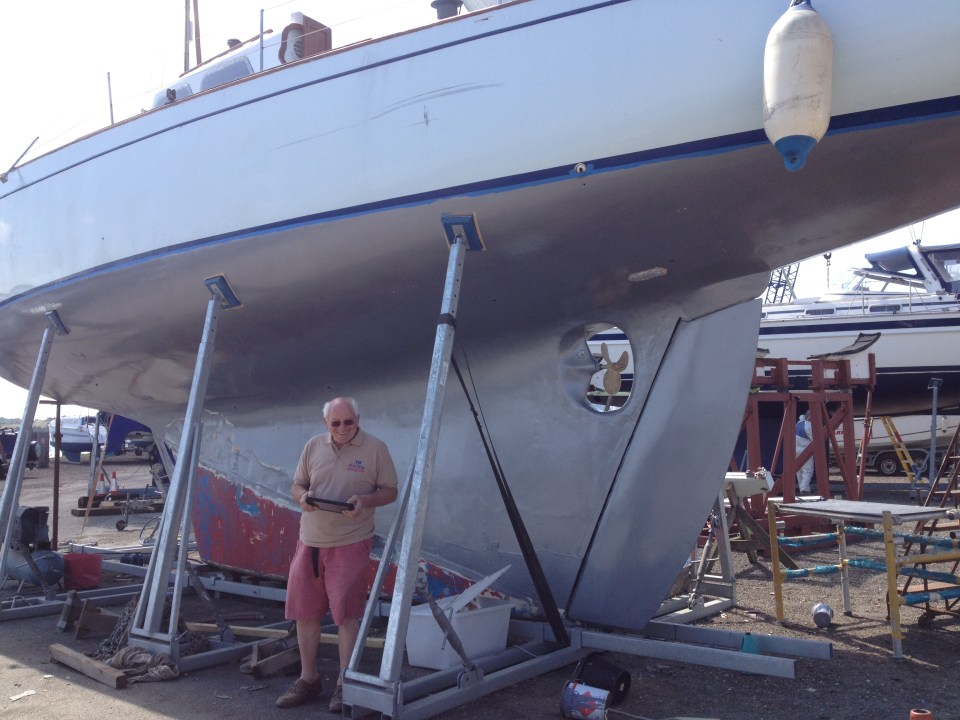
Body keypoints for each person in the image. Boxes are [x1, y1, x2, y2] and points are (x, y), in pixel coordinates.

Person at [276, 396, 398, 712]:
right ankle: (309, 678)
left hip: (350, 542)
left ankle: (345, 683)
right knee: (304, 612)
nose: (344, 428)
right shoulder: (313, 446)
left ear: (358, 419)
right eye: (336, 422)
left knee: (346, 615)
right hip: (310, 541)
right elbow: (296, 485)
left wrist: (365, 501)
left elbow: (390, 490)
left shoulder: (375, 448)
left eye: (349, 422)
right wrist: (304, 497)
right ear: (325, 424)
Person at [795, 412, 814, 494]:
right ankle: (804, 488)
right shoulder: (809, 425)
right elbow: (814, 439)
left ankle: (802, 487)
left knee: (799, 470)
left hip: (795, 449)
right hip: (805, 448)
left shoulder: (798, 423)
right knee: (808, 470)